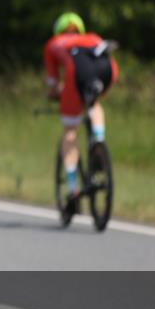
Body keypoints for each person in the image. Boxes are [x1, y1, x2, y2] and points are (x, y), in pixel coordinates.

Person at [43, 12, 119, 206]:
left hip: (77, 71)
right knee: (94, 103)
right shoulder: (92, 37)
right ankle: (99, 143)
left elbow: (52, 83)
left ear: (58, 30)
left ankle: (71, 188)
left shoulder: (54, 43)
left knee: (70, 132)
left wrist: (55, 94)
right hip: (107, 69)